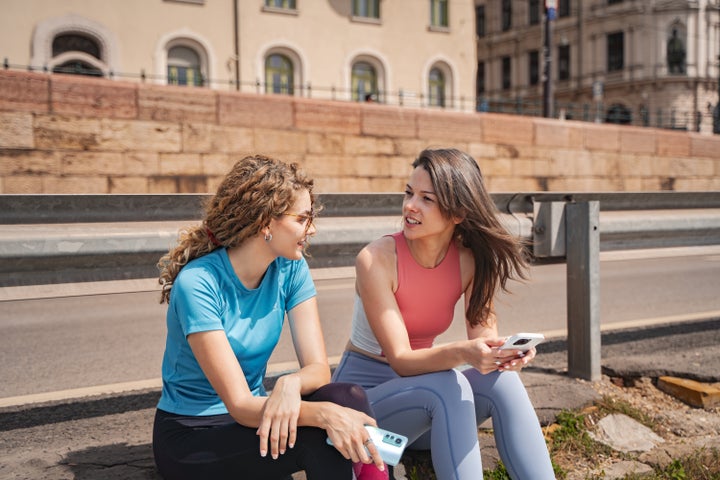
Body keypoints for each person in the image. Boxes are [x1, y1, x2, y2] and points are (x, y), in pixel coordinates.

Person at [152, 154, 387, 480]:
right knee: (322, 434)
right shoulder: (199, 283)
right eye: (302, 219)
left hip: (257, 415)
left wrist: (290, 384)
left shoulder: (291, 267)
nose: (312, 229)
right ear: (265, 222)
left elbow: (319, 371)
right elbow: (238, 404)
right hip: (194, 434)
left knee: (348, 397)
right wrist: (322, 415)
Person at [332, 148, 555, 479]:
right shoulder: (376, 259)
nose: (410, 205)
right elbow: (402, 360)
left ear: (458, 213)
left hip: (420, 425)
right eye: (409, 193)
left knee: (502, 381)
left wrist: (505, 355)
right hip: (366, 423)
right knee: (448, 384)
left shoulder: (469, 261)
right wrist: (464, 353)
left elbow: (485, 341)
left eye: (427, 199)